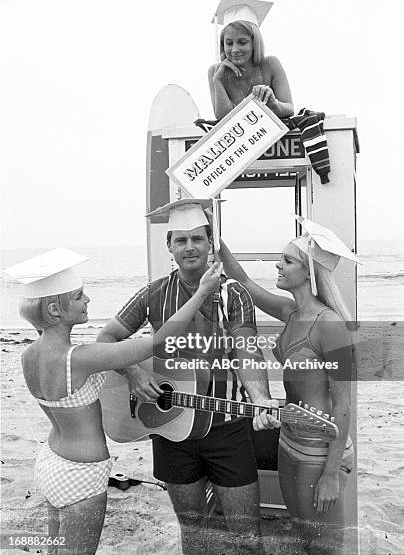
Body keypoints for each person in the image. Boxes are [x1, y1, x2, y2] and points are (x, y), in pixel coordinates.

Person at [5, 247, 223, 555]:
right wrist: (201, 294)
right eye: (79, 296)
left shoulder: (30, 354)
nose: (88, 300)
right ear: (56, 310)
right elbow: (158, 341)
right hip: (81, 475)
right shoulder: (79, 358)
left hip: (51, 461)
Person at [97, 199, 280, 555]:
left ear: (211, 244)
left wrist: (259, 396)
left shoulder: (233, 293)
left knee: (246, 538)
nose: (190, 247)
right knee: (195, 534)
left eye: (198, 238)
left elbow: (247, 351)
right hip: (171, 427)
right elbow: (106, 339)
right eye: (181, 240)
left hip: (227, 427)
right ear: (169, 246)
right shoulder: (153, 294)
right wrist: (133, 373)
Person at [211, 213, 360, 554]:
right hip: (290, 439)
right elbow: (244, 281)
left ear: (309, 272)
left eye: (287, 260)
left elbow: (343, 405)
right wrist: (213, 232)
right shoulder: (293, 313)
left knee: (323, 544)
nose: (277, 265)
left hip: (321, 449)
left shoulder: (331, 325)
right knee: (302, 532)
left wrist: (331, 474)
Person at [208, 0, 294, 121]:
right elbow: (223, 119)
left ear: (255, 43)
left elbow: (289, 109)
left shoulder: (271, 64)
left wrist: (273, 103)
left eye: (242, 42)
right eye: (229, 43)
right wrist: (217, 81)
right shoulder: (214, 71)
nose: (235, 49)